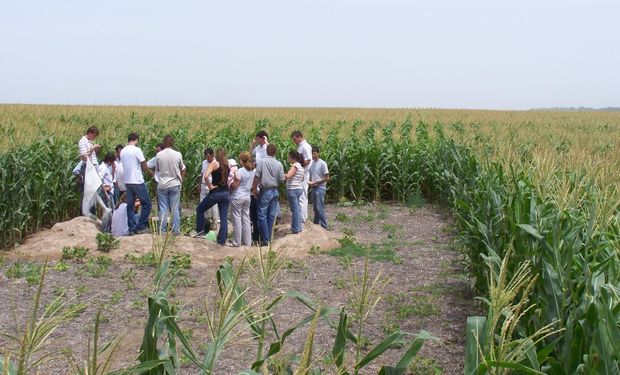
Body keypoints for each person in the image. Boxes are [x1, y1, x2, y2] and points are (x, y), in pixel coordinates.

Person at [195, 148, 231, 245]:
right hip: (226, 193)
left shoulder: (214, 164)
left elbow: (206, 176)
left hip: (216, 192)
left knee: (200, 209)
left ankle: (200, 232)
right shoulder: (227, 164)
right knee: (223, 217)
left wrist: (210, 186)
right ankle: (222, 239)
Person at [252, 144, 285, 246]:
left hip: (265, 190)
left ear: (267, 151)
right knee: (271, 216)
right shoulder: (279, 164)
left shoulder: (261, 162)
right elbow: (282, 179)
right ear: (275, 152)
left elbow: (257, 176)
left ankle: (265, 239)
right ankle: (269, 237)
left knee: (262, 215)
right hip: (274, 190)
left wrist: (254, 188)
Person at [120, 132, 153, 235]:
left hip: (128, 182)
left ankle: (132, 229)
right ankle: (141, 226)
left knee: (130, 205)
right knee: (147, 204)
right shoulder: (137, 150)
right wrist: (151, 172)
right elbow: (144, 165)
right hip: (137, 181)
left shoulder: (123, 151)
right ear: (136, 140)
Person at [155, 135, 186, 235]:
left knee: (163, 208)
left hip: (163, 184)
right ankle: (176, 230)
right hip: (174, 183)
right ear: (172, 143)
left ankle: (162, 230)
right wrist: (181, 180)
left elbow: (158, 169)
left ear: (164, 143)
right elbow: (182, 168)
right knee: (174, 208)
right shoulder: (178, 154)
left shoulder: (159, 155)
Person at [229, 152, 254, 246]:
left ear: (242, 160)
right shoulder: (251, 171)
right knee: (246, 219)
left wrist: (230, 184)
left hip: (237, 196)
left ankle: (237, 242)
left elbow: (236, 185)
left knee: (237, 219)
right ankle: (248, 242)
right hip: (247, 196)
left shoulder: (240, 171)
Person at [291, 130, 312, 223]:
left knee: (303, 196)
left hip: (303, 174)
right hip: (300, 174)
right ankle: (301, 216)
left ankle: (303, 218)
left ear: (299, 136)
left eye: (295, 139)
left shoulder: (305, 146)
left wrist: (298, 166)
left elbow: (308, 160)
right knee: (300, 196)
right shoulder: (301, 146)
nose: (294, 141)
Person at [77, 126, 101, 209]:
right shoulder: (82, 142)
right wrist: (92, 149)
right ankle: (86, 211)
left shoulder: (89, 142)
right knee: (87, 191)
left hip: (93, 168)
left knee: (93, 191)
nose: (94, 138)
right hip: (87, 168)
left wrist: (96, 150)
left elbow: (92, 155)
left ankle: (91, 211)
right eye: (94, 136)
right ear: (90, 133)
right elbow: (84, 157)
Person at [308, 146, 330, 229]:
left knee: (319, 207)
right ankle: (316, 225)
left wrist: (316, 182)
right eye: (312, 154)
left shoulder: (322, 163)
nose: (313, 156)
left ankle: (324, 226)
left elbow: (327, 178)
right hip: (313, 187)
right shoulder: (312, 163)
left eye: (314, 154)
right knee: (315, 208)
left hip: (320, 188)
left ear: (318, 153)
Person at [284, 151, 305, 234]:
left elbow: (288, 176)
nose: (288, 158)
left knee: (295, 209)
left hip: (293, 189)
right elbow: (302, 178)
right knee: (297, 208)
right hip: (299, 188)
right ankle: (298, 227)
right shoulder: (301, 166)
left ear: (293, 157)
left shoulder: (295, 165)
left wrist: (280, 173)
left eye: (289, 157)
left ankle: (296, 228)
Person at [200, 148, 219, 230]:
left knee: (214, 205)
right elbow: (202, 174)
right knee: (203, 203)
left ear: (212, 155)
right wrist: (199, 184)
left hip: (212, 185)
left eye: (208, 156)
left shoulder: (216, 163)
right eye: (206, 156)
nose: (207, 158)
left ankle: (215, 223)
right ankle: (206, 222)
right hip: (204, 185)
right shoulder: (204, 162)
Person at [97, 152, 116, 232]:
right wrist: (105, 192)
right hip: (107, 193)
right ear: (109, 161)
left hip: (109, 192)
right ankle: (105, 230)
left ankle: (109, 229)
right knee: (107, 212)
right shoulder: (103, 167)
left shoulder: (106, 167)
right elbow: (99, 179)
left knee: (110, 211)